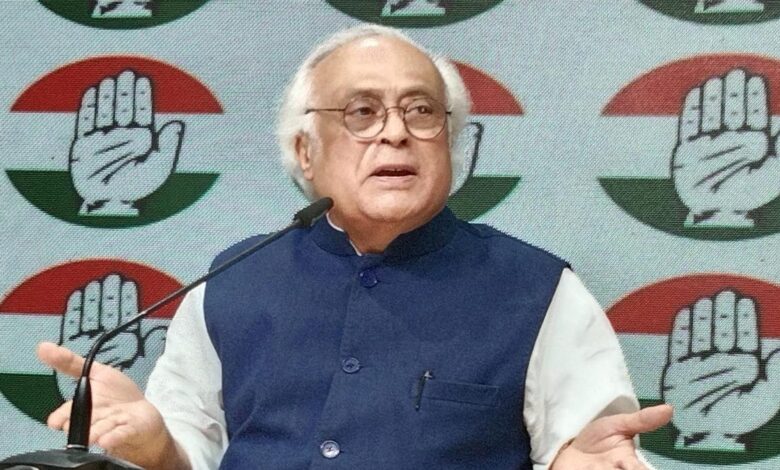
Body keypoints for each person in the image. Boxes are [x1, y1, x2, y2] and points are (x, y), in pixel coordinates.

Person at [37, 25, 673, 469]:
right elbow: (191, 452)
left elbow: (596, 452)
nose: (396, 133)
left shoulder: (538, 290)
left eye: (421, 111)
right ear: (304, 151)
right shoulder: (231, 281)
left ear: (452, 145)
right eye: (362, 113)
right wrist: (158, 449)